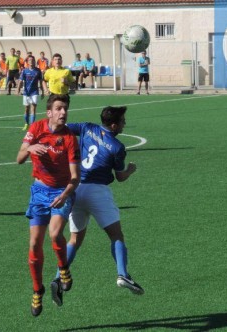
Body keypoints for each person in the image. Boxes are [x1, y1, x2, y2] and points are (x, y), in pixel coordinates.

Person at [49, 105, 144, 308]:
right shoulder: (118, 147)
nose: (124, 124)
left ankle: (58, 278)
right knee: (116, 235)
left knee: (75, 239)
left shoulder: (86, 127)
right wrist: (131, 170)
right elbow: (120, 177)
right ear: (113, 124)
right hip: (97, 191)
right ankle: (123, 274)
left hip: (75, 189)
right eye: (122, 122)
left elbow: (62, 128)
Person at [17, 94, 81, 317]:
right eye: (59, 108)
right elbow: (18, 158)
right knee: (34, 244)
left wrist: (65, 194)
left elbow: (76, 176)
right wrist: (30, 148)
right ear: (49, 112)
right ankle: (37, 290)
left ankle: (63, 268)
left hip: (62, 192)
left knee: (55, 233)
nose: (63, 112)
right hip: (39, 192)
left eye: (65, 109)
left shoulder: (70, 139)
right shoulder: (36, 128)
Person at [17, 56, 44, 131]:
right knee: (26, 109)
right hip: (26, 92)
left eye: (32, 60)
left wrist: (42, 91)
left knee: (33, 108)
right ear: (27, 62)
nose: (31, 61)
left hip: (34, 92)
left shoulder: (38, 71)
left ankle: (32, 125)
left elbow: (41, 82)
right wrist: (18, 90)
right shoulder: (24, 71)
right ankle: (26, 123)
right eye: (29, 60)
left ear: (34, 61)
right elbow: (20, 80)